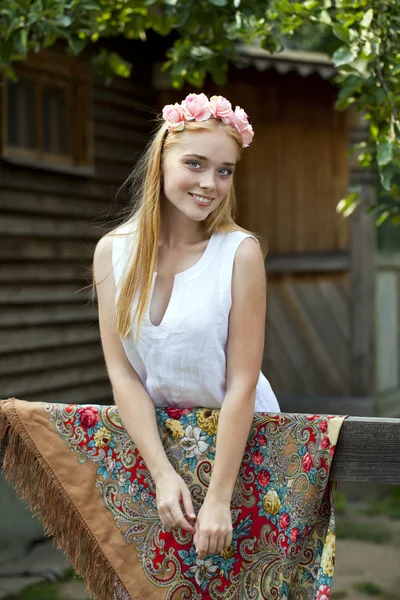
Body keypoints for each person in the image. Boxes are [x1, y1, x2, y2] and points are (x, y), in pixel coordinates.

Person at [93, 92, 280, 568]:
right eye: (195, 164)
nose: (210, 183)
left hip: (240, 450)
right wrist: (160, 473)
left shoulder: (240, 254)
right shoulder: (112, 253)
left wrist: (219, 497)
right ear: (161, 161)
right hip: (157, 446)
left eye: (224, 170)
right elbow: (123, 374)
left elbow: (242, 382)